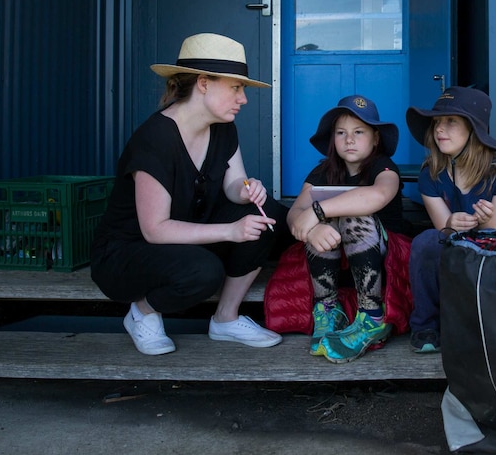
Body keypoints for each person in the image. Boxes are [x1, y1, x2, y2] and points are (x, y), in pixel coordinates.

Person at [91, 33, 293, 356]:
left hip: (186, 231)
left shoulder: (223, 127)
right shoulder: (155, 139)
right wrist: (230, 231)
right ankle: (142, 312)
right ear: (203, 83)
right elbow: (154, 229)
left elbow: (233, 183)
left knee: (267, 214)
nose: (243, 99)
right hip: (129, 251)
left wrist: (247, 190)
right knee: (204, 271)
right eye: (236, 88)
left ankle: (226, 318)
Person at [286, 95, 406, 363]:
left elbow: (377, 196)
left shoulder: (383, 167)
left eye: (359, 132)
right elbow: (295, 214)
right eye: (341, 133)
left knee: (351, 214)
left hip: (385, 258)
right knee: (321, 222)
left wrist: (318, 212)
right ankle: (328, 309)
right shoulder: (323, 171)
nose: (349, 139)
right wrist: (311, 229)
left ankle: (372, 316)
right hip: (336, 256)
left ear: (375, 138)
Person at [405, 86, 496, 353]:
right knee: (425, 243)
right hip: (451, 249)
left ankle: (481, 326)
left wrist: (484, 223)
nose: (439, 129)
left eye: (450, 121)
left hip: (490, 256)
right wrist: (452, 223)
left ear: (473, 129)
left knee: (495, 249)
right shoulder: (431, 174)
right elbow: (441, 228)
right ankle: (426, 327)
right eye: (436, 122)